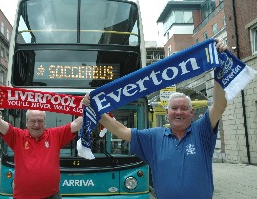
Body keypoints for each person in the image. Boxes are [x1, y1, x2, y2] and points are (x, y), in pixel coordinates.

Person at [82, 40, 228, 199]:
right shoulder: (154, 137)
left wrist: (219, 70)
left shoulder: (202, 132)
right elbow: (121, 131)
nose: (179, 112)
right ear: (167, 113)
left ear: (192, 113)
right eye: (174, 108)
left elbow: (219, 105)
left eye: (184, 108)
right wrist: (96, 111)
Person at [0, 83, 83, 199]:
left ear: (45, 122)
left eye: (40, 121)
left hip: (52, 195)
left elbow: (78, 123)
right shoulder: (17, 136)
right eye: (33, 121)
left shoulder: (55, 135)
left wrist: (90, 104)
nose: (36, 125)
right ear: (27, 122)